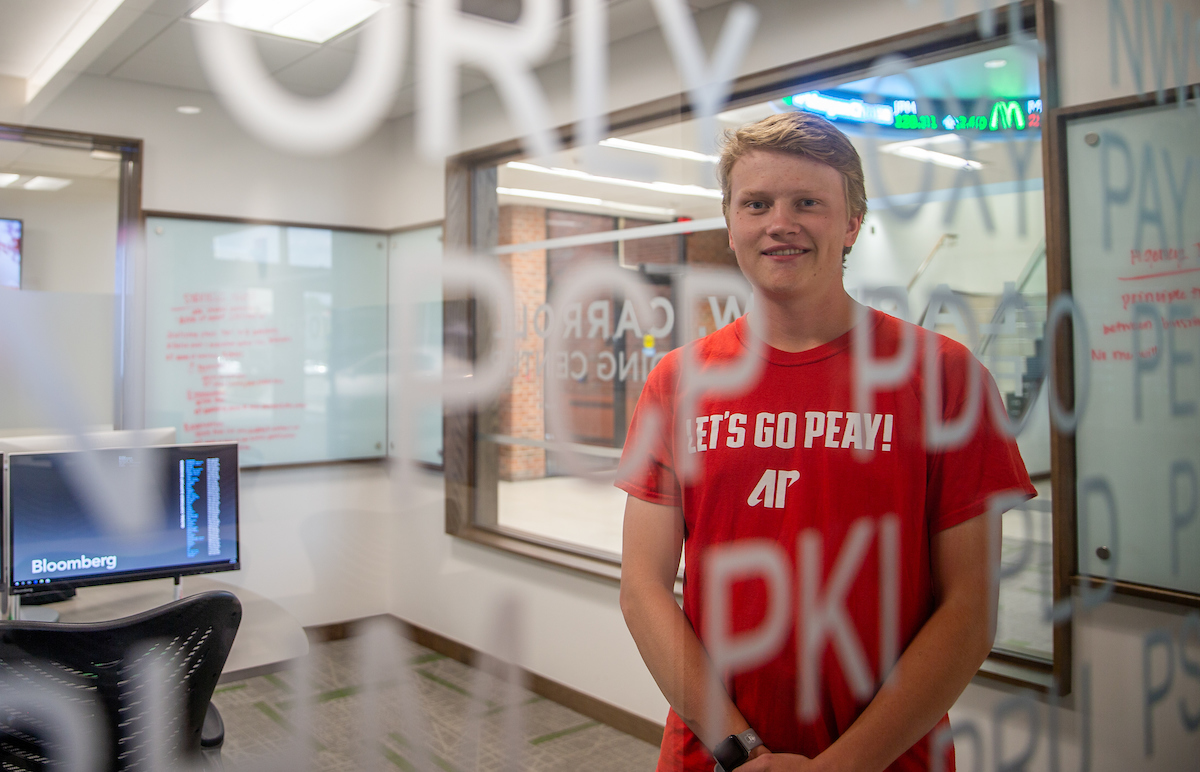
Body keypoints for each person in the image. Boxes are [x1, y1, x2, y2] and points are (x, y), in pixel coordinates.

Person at [616, 111, 1036, 772]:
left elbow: (969, 612)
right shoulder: (676, 382)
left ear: (851, 223)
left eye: (807, 202)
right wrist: (740, 748)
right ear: (731, 225)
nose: (778, 222)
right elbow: (642, 587)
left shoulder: (944, 378)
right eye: (756, 204)